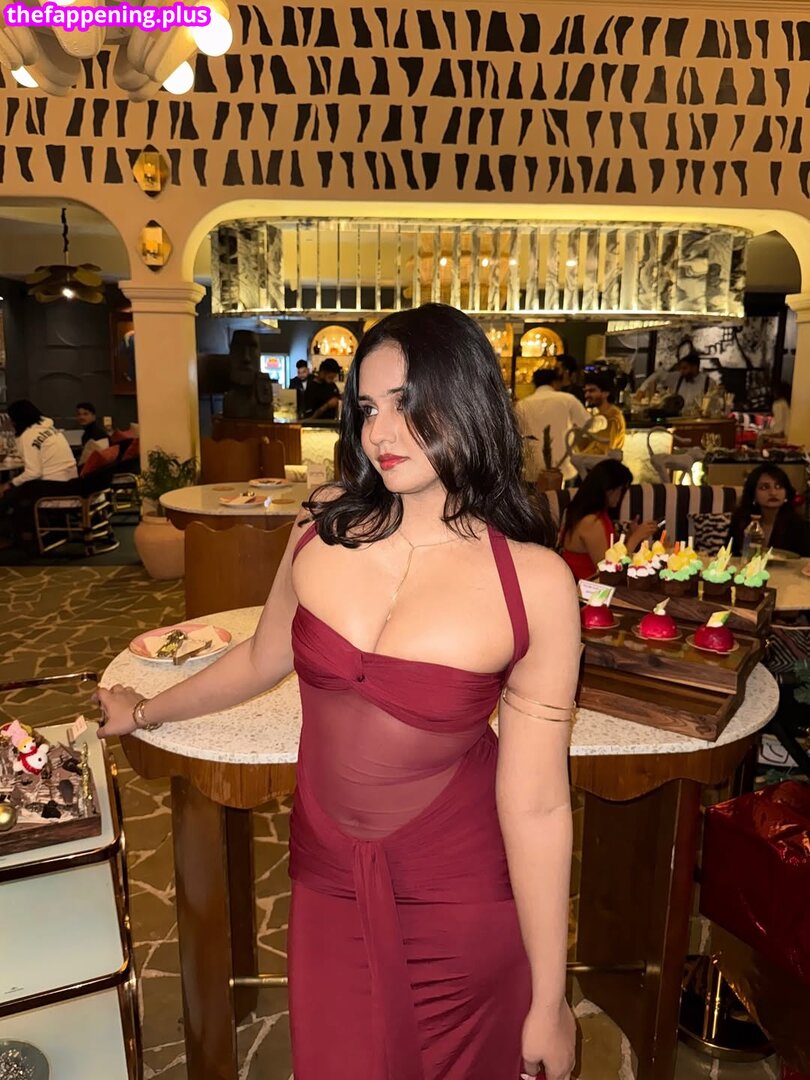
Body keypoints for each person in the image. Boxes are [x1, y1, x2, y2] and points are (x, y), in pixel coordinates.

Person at [96, 303, 579, 1080]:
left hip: (458, 893)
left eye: (406, 404)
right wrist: (143, 710)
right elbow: (261, 657)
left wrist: (550, 1001)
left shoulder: (534, 583)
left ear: (468, 400)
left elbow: (539, 805)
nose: (381, 432)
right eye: (368, 408)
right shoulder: (322, 524)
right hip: (327, 875)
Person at [560, 459, 658, 581]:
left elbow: (611, 552)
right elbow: (609, 572)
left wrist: (630, 535)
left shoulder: (598, 515)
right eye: (621, 489)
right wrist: (635, 538)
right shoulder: (591, 522)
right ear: (609, 490)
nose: (622, 495)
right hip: (588, 588)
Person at [0, 400, 78, 545]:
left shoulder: (28, 436)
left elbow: (33, 472)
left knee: (8, 495)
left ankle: (20, 538)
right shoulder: (51, 429)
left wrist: (9, 484)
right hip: (69, 483)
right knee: (14, 492)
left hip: (52, 487)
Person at [515, 366, 591, 484]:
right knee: (563, 496)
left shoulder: (522, 405)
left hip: (531, 471)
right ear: (555, 382)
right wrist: (602, 421)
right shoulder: (567, 399)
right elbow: (588, 425)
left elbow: (515, 435)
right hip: (563, 469)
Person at [728, 464, 810, 557]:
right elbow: (730, 556)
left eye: (778, 487)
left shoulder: (799, 526)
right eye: (764, 487)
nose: (773, 493)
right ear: (753, 494)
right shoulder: (740, 521)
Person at [637, 352, 713, 413]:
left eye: (685, 368)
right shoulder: (677, 377)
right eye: (681, 368)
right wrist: (641, 390)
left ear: (695, 367)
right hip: (677, 418)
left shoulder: (708, 382)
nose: (681, 371)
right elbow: (658, 375)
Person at [579, 370, 625, 454]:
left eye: (592, 391)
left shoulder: (612, 417)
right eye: (586, 391)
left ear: (605, 393)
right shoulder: (597, 414)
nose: (587, 395)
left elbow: (602, 452)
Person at [76, 401, 110, 465]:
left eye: (85, 414)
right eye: (79, 414)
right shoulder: (88, 433)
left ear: (93, 417)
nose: (81, 417)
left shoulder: (97, 435)